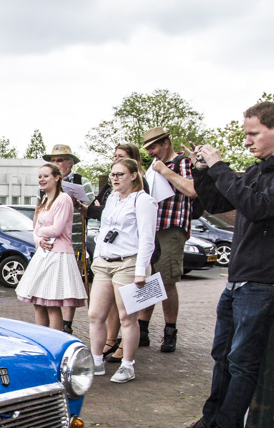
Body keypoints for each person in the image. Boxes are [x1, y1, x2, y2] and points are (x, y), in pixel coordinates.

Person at [170, 101, 274, 428]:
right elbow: (217, 203)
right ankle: (213, 420)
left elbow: (257, 207)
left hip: (262, 282)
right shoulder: (257, 170)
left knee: (243, 361)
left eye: (253, 133)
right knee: (222, 356)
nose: (247, 141)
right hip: (239, 279)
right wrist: (203, 172)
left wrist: (219, 164)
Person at [87, 158, 157, 384]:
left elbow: (148, 238)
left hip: (129, 262)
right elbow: (105, 228)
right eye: (112, 175)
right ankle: (96, 360)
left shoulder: (143, 200)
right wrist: (97, 255)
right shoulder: (112, 199)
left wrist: (140, 271)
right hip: (105, 261)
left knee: (127, 316)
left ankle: (128, 365)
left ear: (133, 175)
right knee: (95, 314)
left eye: (119, 174)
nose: (114, 178)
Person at [138, 127, 196, 353]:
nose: (151, 152)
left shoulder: (180, 163)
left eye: (153, 147)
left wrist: (164, 171)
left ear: (165, 143)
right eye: (148, 148)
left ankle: (170, 331)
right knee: (149, 279)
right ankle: (142, 330)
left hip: (171, 229)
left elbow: (191, 190)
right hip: (151, 230)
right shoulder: (152, 166)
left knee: (167, 280)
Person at [16, 164, 87, 329]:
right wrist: (39, 239)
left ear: (56, 177)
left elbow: (57, 228)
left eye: (46, 176)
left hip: (58, 255)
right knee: (38, 303)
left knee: (52, 304)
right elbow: (35, 229)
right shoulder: (43, 200)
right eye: (40, 176)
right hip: (43, 254)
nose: (42, 179)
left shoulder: (63, 199)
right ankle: (42, 339)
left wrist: (40, 231)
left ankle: (55, 343)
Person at [42, 144, 82, 332]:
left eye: (60, 160)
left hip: (74, 239)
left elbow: (93, 207)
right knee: (50, 290)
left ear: (70, 162)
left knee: (69, 284)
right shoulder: (46, 184)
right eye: (54, 160)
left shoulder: (82, 181)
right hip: (50, 244)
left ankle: (67, 324)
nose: (57, 163)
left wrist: (79, 204)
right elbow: (40, 213)